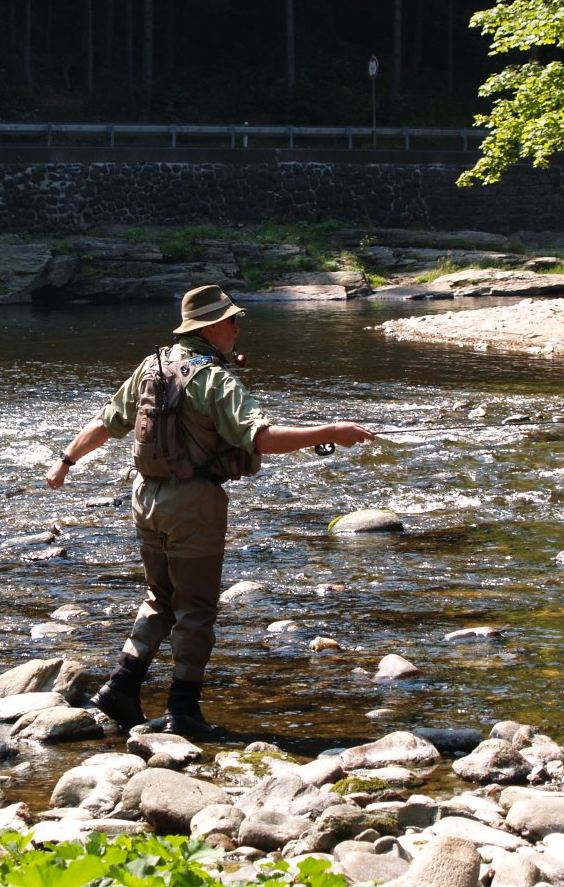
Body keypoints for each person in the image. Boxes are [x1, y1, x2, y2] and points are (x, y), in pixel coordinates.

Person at [45, 284, 374, 738]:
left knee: (160, 598)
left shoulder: (152, 366)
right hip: (193, 504)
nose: (237, 328)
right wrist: (331, 431)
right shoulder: (214, 380)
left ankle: (121, 687)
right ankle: (184, 711)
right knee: (196, 608)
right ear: (211, 327)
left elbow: (107, 422)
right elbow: (261, 439)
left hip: (146, 498)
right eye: (232, 320)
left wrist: (65, 461)